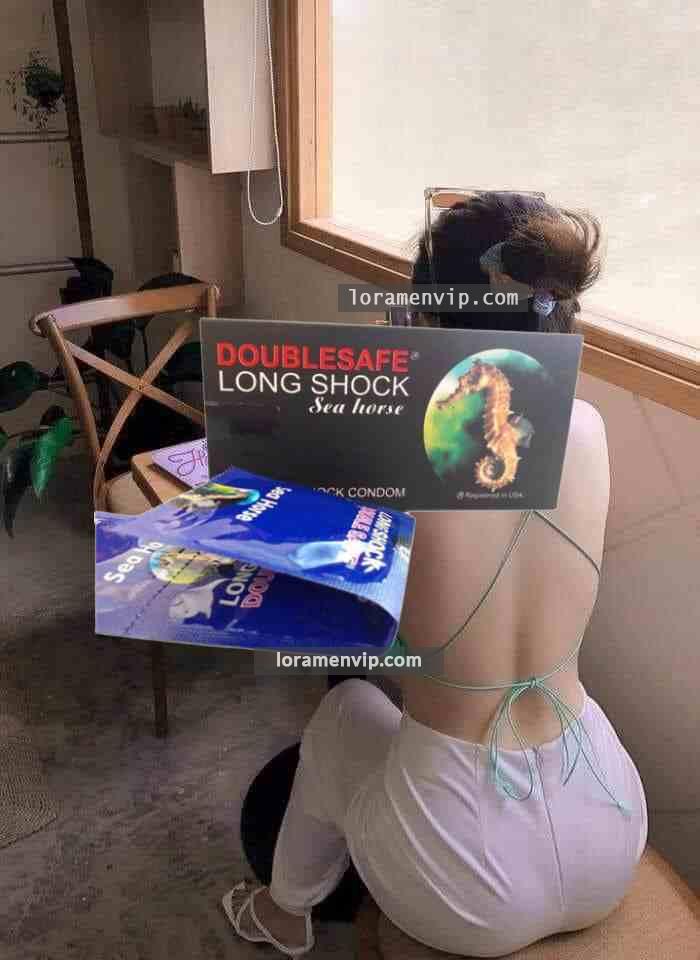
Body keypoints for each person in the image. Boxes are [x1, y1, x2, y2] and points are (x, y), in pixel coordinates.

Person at [221, 192, 648, 957]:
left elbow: (300, 586)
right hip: (608, 822)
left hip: (466, 882)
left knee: (346, 706)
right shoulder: (589, 426)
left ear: (423, 309)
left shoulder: (382, 441)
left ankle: (284, 912)